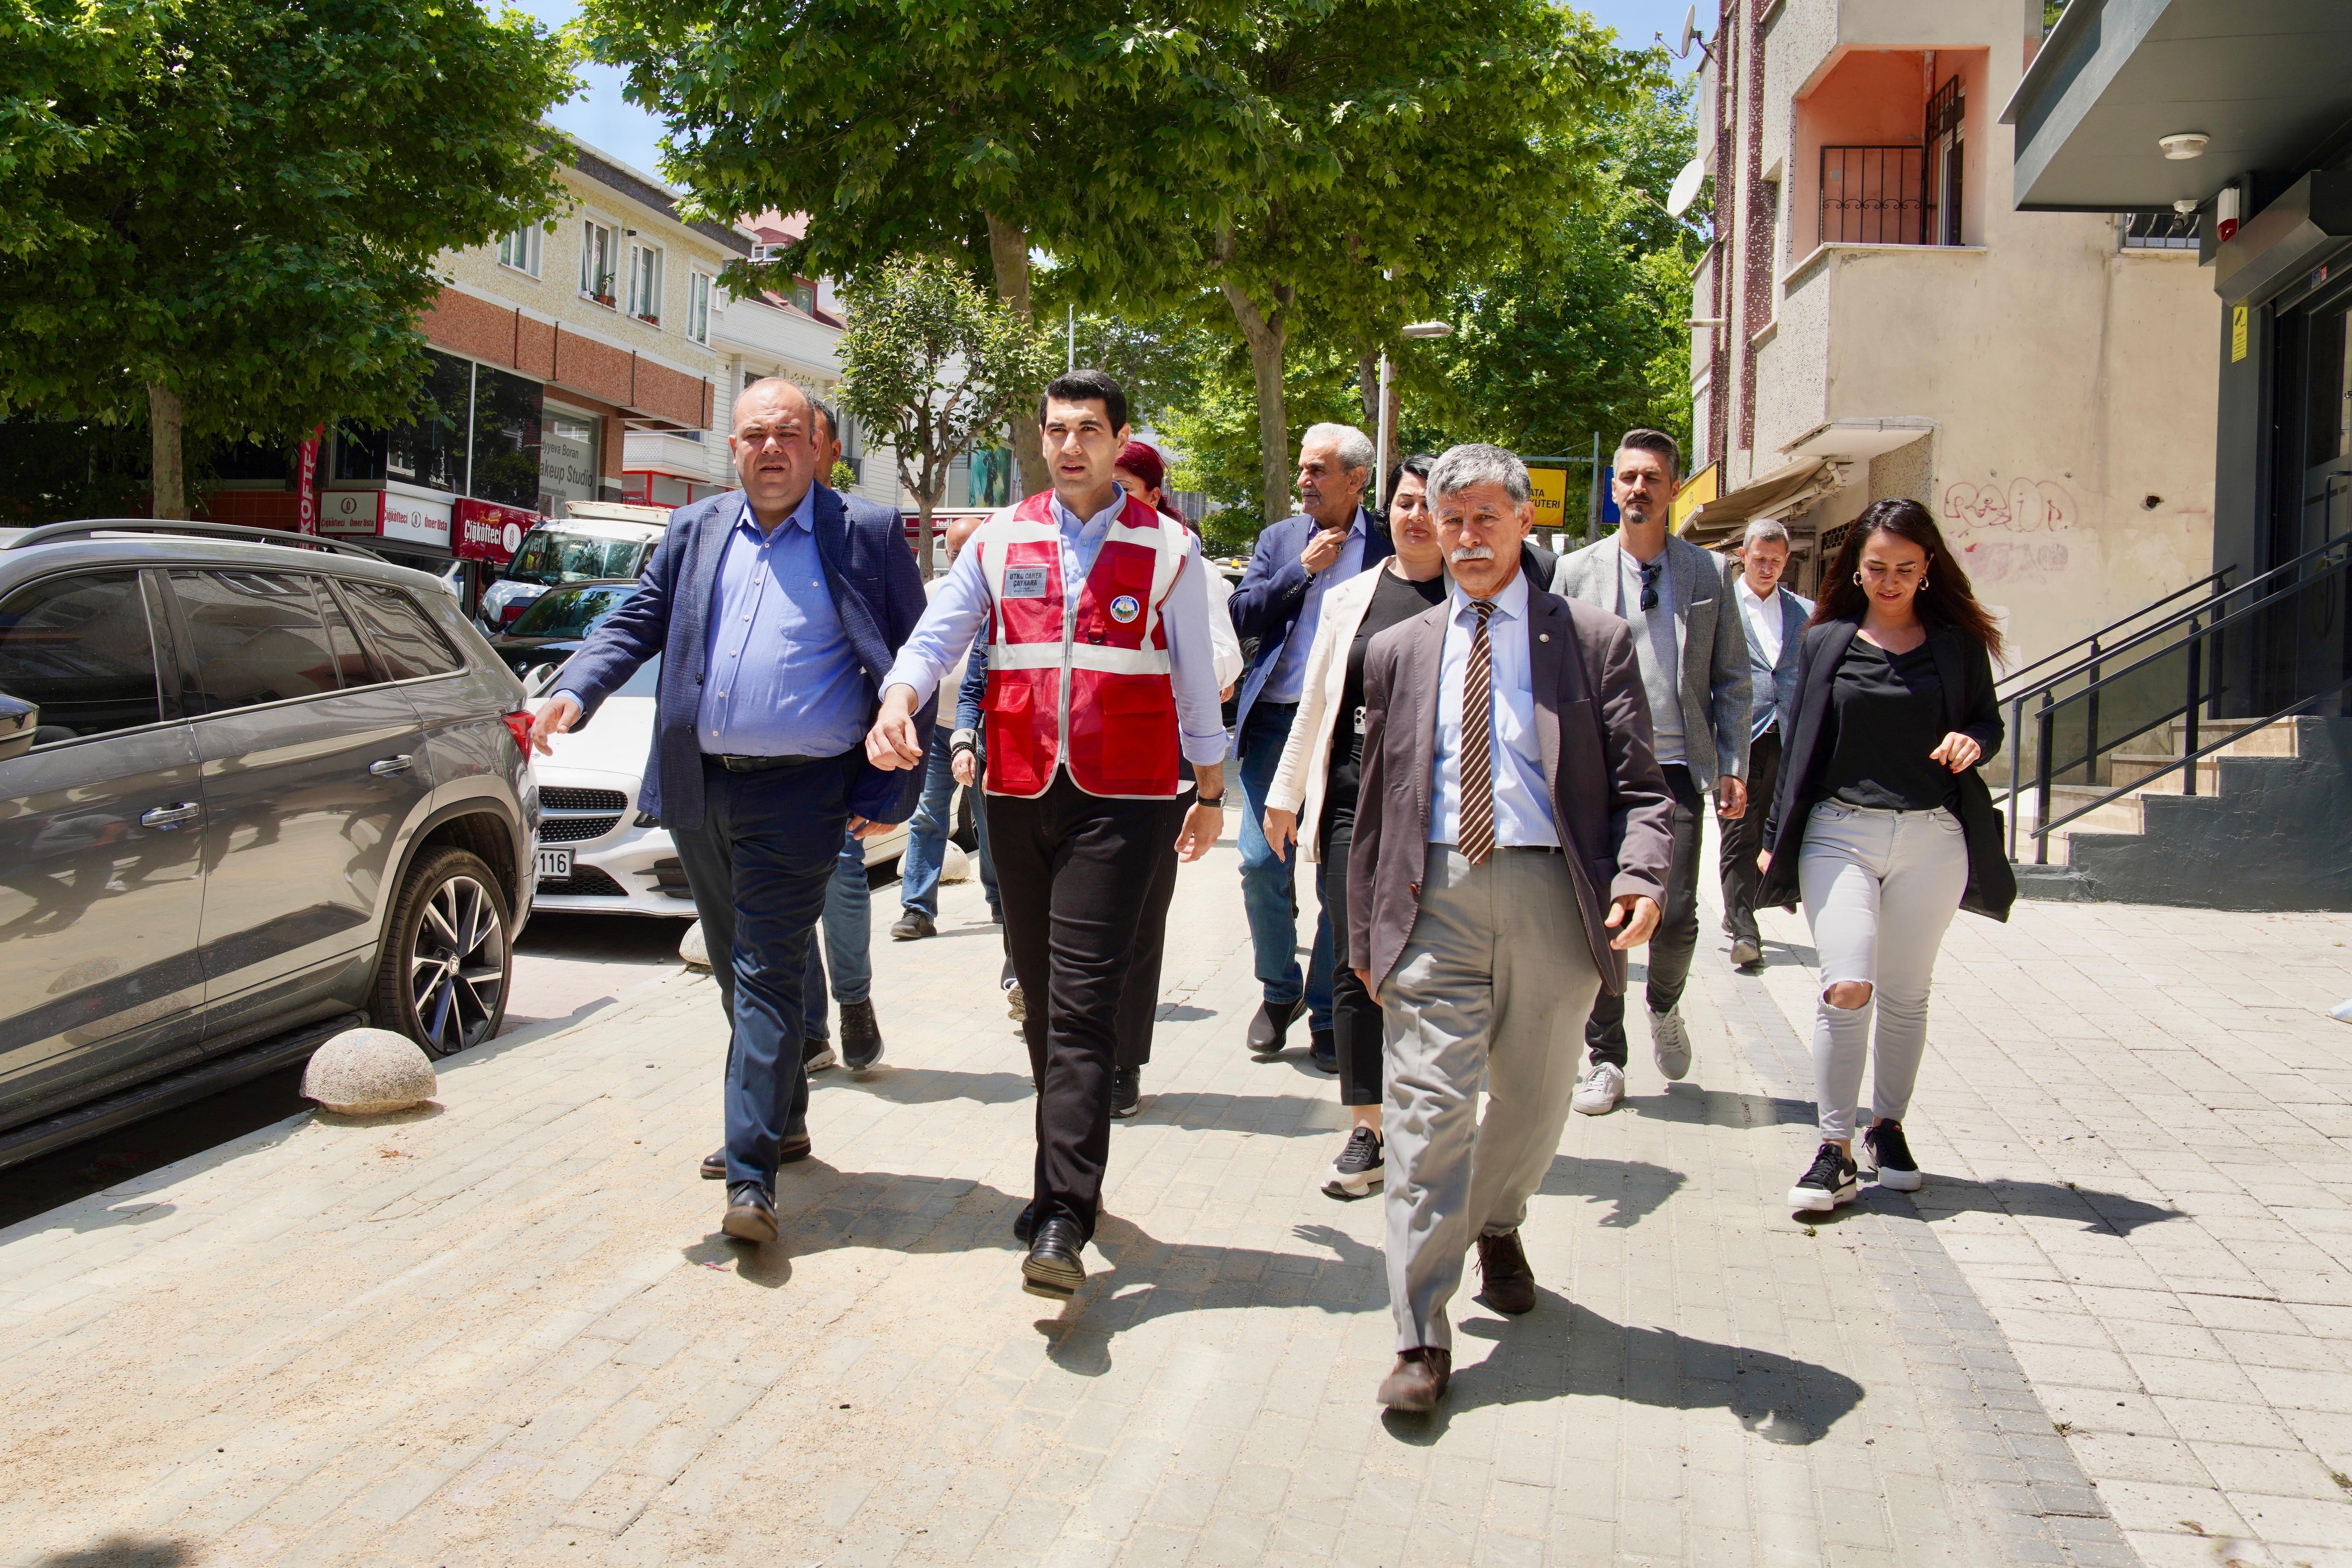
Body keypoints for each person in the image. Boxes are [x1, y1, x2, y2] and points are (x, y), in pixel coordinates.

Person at [532, 376, 928, 1246]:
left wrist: (884, 787)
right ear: (735, 447)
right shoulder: (696, 527)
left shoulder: (862, 531)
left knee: (762, 967)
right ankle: (783, 1117)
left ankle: (752, 1176)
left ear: (820, 445)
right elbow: (636, 619)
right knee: (735, 959)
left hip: (804, 790)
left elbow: (915, 659)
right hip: (699, 783)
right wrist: (575, 690)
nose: (771, 449)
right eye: (754, 435)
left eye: (789, 432)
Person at [866, 369, 1228, 1300]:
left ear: (1120, 440)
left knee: (1081, 999)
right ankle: (1059, 1166)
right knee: (1037, 986)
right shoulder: (1000, 537)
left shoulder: (1170, 550)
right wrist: (902, 695)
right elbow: (940, 633)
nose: (1071, 446)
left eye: (1089, 430)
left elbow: (1194, 675)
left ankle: (1065, 1209)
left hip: (1126, 795)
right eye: (1057, 430)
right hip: (1019, 789)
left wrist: (1211, 784)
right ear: (1041, 437)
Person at [1347, 444, 1672, 1413]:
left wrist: (1643, 874)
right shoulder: (1397, 651)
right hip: (1434, 898)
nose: (1469, 536)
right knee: (1424, 1114)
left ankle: (1497, 1219)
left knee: (1532, 1104)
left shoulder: (1595, 639)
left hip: (1552, 900)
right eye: (1453, 519)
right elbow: (1376, 804)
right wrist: (1365, 935)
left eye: (1489, 516)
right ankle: (1419, 1331)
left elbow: (1645, 791)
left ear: (1525, 522)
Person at [1756, 497, 2013, 1211]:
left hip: (1934, 837)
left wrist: (1975, 743)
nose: (1891, 580)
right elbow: (1798, 744)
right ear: (1856, 570)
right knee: (1846, 983)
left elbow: (1986, 723)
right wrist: (1774, 837)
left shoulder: (1957, 646)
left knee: (1905, 992)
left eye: (1905, 567)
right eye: (1877, 568)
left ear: (1929, 567)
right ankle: (1832, 1148)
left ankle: (1887, 1128)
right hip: (1839, 832)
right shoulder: (1826, 640)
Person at [1550, 429, 1750, 1116]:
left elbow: (1731, 678)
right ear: (1614, 489)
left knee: (1679, 916)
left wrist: (1732, 763)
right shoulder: (1574, 573)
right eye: (1628, 477)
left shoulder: (1709, 574)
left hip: (1673, 769)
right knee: (1602, 915)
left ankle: (1664, 1004)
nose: (1638, 488)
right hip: (1596, 769)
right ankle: (1605, 1056)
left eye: (1652, 479)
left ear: (1673, 490)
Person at [1262, 455, 1446, 1200]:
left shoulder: (1479, 597)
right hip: (1349, 805)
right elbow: (1317, 704)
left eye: (1431, 504)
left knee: (1434, 964)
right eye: (1405, 501)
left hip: (1441, 811)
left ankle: (1433, 1116)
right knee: (1352, 959)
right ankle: (1366, 1127)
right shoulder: (1355, 598)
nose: (1416, 516)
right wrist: (1284, 794)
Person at [1228, 424, 1394, 1065]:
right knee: (1257, 862)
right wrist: (1301, 572)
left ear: (1356, 479)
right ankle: (1279, 992)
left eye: (1318, 470)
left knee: (1338, 877)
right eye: (1301, 469)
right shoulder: (1280, 541)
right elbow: (1242, 615)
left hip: (1349, 727)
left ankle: (1328, 1009)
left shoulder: (1387, 544)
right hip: (1274, 721)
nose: (1304, 481)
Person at [1106, 440, 1243, 1119]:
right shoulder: (1057, 555)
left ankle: (1122, 1060)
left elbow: (1220, 666)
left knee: (1134, 922)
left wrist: (1161, 660)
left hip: (1152, 775)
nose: (1110, 500)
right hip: (1062, 774)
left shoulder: (1186, 563)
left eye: (1126, 487)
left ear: (1155, 496)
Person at [896, 511, 1001, 941]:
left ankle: (1000, 901)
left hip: (988, 728)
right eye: (955, 553)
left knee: (991, 819)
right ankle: (917, 909)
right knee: (927, 817)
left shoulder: (1005, 594)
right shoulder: (933, 594)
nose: (961, 561)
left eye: (970, 552)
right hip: (936, 728)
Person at [1721, 517, 1814, 968]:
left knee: (1770, 831)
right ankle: (1744, 930)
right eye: (1759, 559)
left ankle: (1742, 904)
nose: (1766, 568)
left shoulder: (1804, 612)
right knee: (1738, 831)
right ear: (1743, 555)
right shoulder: (1718, 608)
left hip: (1786, 736)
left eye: (1775, 562)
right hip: (1737, 737)